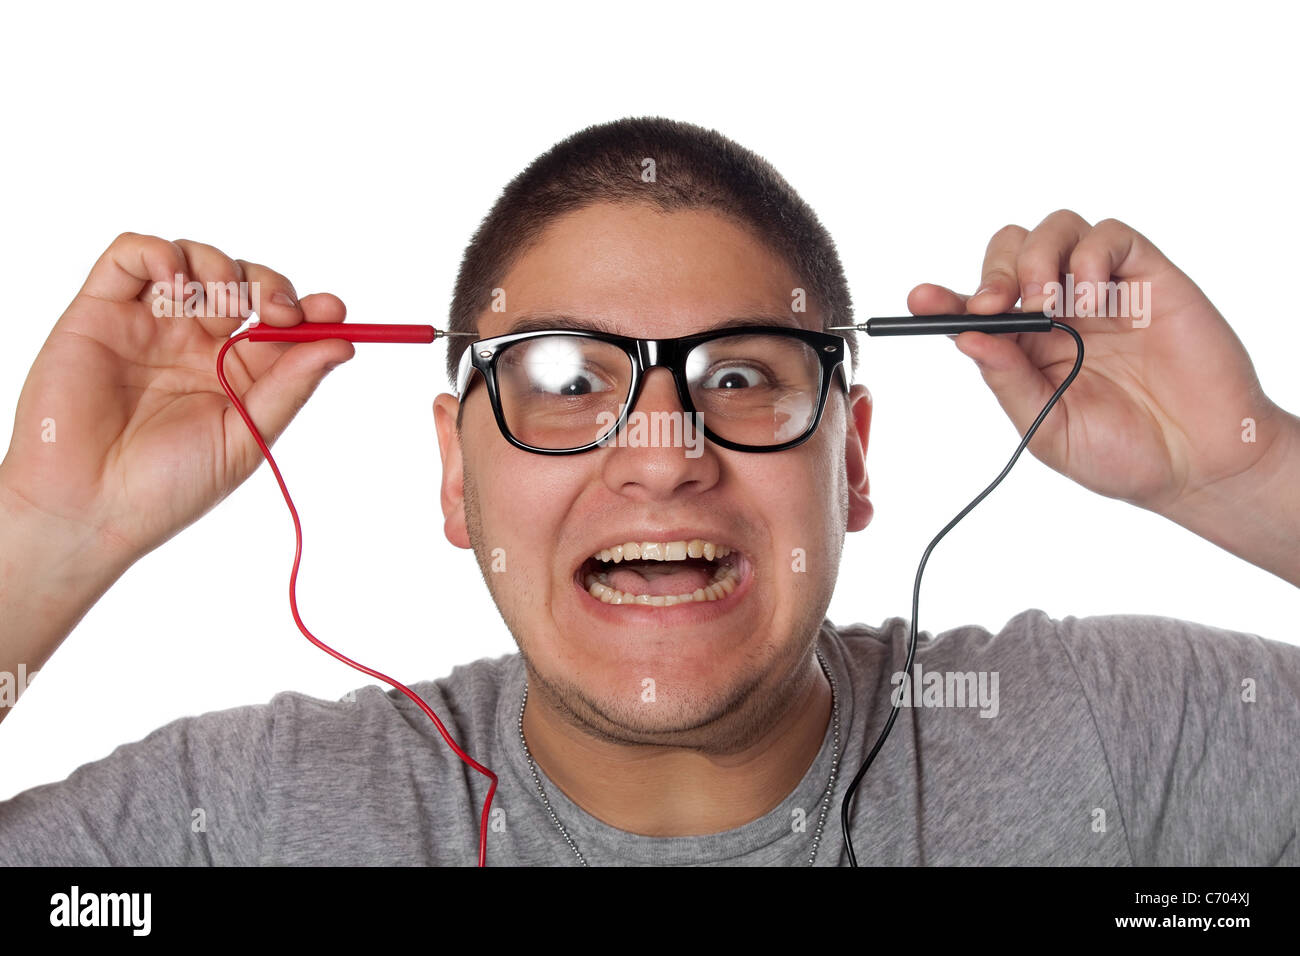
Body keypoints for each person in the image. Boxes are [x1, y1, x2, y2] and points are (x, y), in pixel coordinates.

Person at [0, 117, 1296, 866]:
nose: (664, 447)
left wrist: (1253, 471)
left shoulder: (1124, 744)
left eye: (741, 374)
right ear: (456, 475)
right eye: (566, 379)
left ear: (848, 462)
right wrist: (46, 539)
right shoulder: (263, 822)